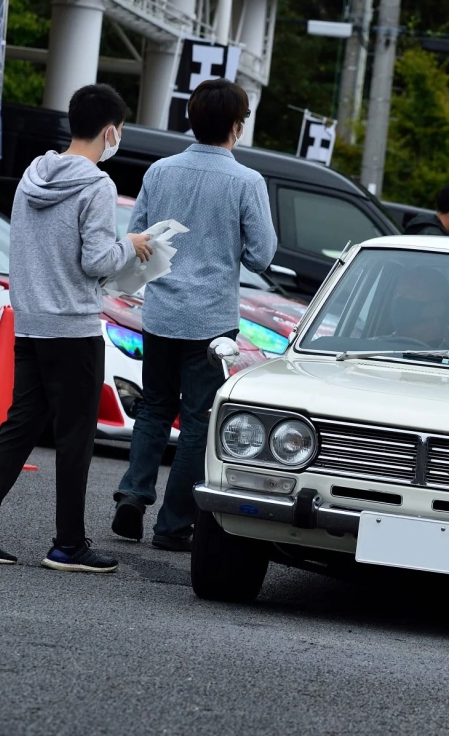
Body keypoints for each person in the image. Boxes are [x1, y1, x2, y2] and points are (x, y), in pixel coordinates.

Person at [0, 84, 152, 572]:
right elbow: (97, 260)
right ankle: (68, 544)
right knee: (75, 437)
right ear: (110, 131)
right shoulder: (97, 185)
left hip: (31, 321)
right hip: (73, 326)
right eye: (119, 130)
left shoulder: (33, 175)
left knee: (20, 425)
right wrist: (133, 244)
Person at [111, 79, 277, 552]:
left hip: (160, 311)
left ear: (193, 118)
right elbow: (262, 255)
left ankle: (133, 494)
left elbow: (138, 237)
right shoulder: (247, 181)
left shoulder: (160, 171)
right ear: (236, 125)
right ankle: (172, 525)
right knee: (198, 420)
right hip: (211, 321)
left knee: (154, 407)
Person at [386, 266, 449, 347]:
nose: (400, 300)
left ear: (437, 308)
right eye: (397, 293)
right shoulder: (375, 346)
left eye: (412, 294)